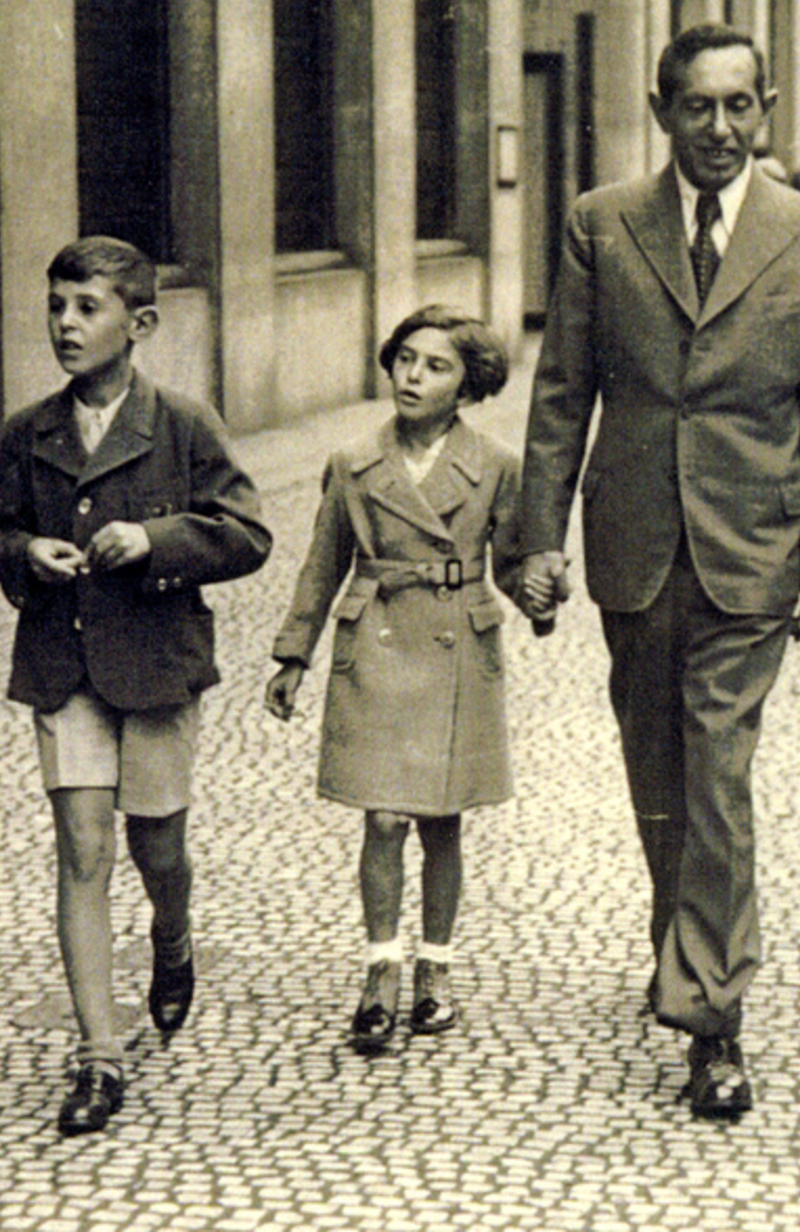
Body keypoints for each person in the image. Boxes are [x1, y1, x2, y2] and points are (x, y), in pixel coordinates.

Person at [518, 22, 800, 1120]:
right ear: (661, 110)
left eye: (738, 105)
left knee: (717, 772)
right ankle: (683, 941)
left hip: (753, 546)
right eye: (696, 106)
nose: (718, 128)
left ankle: (714, 1019)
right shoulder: (602, 223)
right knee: (657, 774)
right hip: (636, 541)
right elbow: (562, 391)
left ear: (766, 110)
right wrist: (537, 537)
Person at [0, 236, 272, 1135]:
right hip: (62, 662)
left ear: (139, 323)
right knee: (82, 848)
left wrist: (156, 540)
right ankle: (98, 1055)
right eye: (56, 307)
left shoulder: (183, 424)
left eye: (87, 308)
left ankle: (172, 937)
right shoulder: (27, 432)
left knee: (158, 847)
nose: (65, 325)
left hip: (155, 667)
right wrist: (26, 552)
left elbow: (248, 535)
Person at [265, 306, 533, 1054]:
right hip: (377, 641)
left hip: (457, 644)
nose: (413, 376)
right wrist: (294, 654)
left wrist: (541, 595)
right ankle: (380, 969)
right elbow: (322, 564)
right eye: (406, 359)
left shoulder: (496, 465)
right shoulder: (354, 462)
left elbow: (514, 562)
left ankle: (434, 970)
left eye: (436, 366)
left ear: (469, 386)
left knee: (443, 820)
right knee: (382, 819)